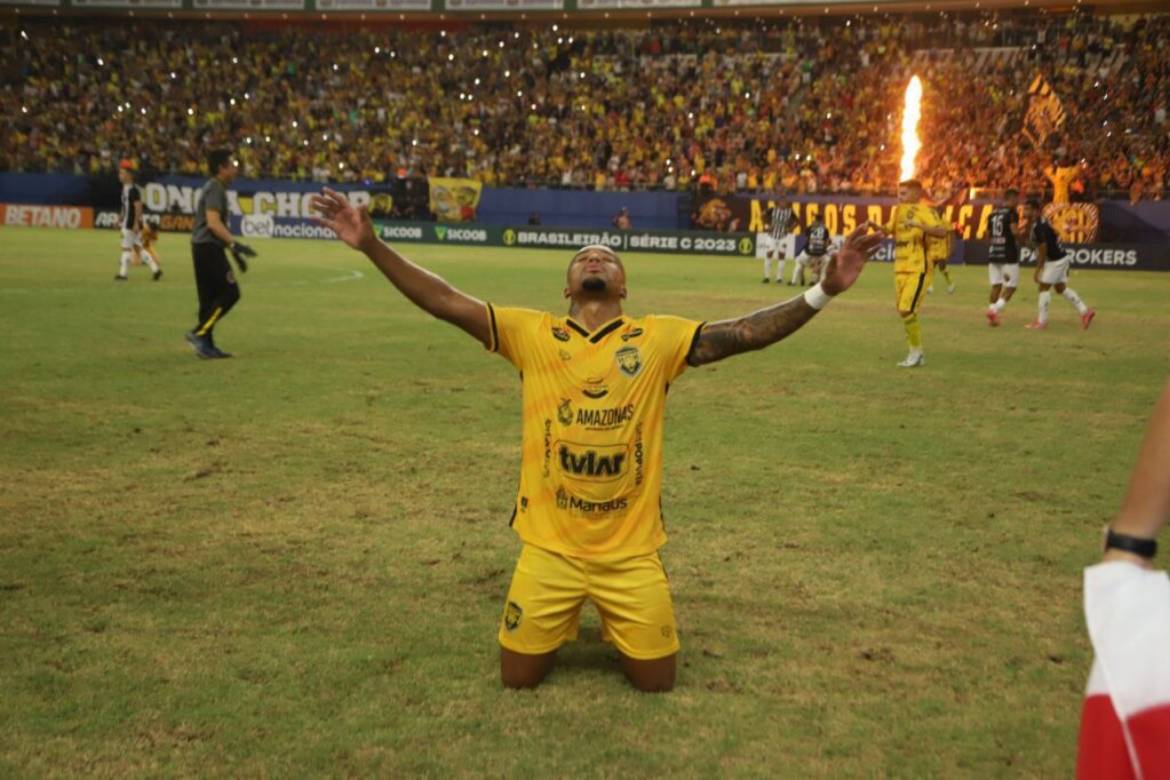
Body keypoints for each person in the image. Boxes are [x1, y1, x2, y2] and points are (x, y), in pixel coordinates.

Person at [310, 187, 882, 692]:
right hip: (549, 548)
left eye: (607, 257)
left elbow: (743, 334)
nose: (595, 260)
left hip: (630, 554)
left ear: (623, 284)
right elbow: (443, 300)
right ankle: (559, 613)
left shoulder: (656, 338)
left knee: (657, 683)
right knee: (517, 678)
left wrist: (822, 292)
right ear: (566, 285)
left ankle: (617, 613)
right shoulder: (531, 334)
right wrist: (372, 246)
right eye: (584, 257)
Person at [186, 149, 256, 360]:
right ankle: (199, 333)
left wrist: (235, 255)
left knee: (208, 300)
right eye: (232, 166)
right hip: (208, 248)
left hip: (202, 247)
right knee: (231, 293)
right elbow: (214, 224)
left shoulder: (214, 188)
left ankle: (206, 346)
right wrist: (235, 245)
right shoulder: (216, 188)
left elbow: (216, 228)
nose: (235, 170)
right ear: (221, 168)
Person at [876, 180, 950, 368]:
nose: (899, 197)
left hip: (919, 268)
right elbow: (888, 229)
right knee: (905, 312)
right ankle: (917, 354)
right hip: (900, 268)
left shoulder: (926, 211)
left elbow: (942, 231)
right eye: (898, 193)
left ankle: (915, 353)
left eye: (903, 193)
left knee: (906, 310)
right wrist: (874, 227)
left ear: (916, 194)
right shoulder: (898, 211)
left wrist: (920, 226)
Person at [1021, 199, 1095, 330]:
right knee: (1060, 288)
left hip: (1055, 260)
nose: (1024, 211)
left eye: (1027, 209)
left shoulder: (1039, 226)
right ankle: (1085, 311)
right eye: (1024, 208)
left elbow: (1043, 247)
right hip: (1061, 257)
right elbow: (1053, 234)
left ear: (1035, 211)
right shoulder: (1040, 223)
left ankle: (1041, 322)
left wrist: (1039, 268)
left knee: (1043, 288)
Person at [114, 160, 162, 282]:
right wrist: (120, 217)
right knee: (138, 248)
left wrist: (135, 223)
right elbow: (125, 206)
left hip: (130, 224)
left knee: (126, 248)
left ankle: (123, 274)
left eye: (122, 173)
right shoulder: (126, 188)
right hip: (130, 223)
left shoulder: (133, 190)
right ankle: (156, 270)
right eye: (120, 173)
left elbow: (138, 206)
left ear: (129, 175)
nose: (120, 175)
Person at [984, 188, 1024, 327]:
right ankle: (994, 310)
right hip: (1008, 254)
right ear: (1011, 199)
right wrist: (1022, 240)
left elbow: (987, 235)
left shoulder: (992, 214)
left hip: (994, 253)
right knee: (1011, 287)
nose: (1018, 202)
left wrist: (995, 243)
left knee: (996, 285)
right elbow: (1014, 231)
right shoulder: (1012, 213)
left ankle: (992, 317)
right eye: (1017, 199)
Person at [763, 195, 797, 284]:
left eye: (785, 202)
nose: (783, 204)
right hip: (771, 236)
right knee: (769, 253)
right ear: (778, 203)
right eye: (782, 202)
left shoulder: (789, 212)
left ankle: (779, 278)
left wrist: (791, 228)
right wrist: (767, 226)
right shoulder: (772, 210)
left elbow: (797, 221)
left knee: (781, 255)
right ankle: (767, 276)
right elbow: (763, 215)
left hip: (783, 236)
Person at [790, 214, 831, 286]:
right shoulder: (825, 230)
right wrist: (823, 250)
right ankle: (819, 281)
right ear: (822, 221)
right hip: (820, 254)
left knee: (799, 263)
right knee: (825, 262)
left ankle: (794, 281)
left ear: (815, 219)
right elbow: (826, 242)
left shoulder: (810, 227)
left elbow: (807, 240)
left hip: (807, 253)